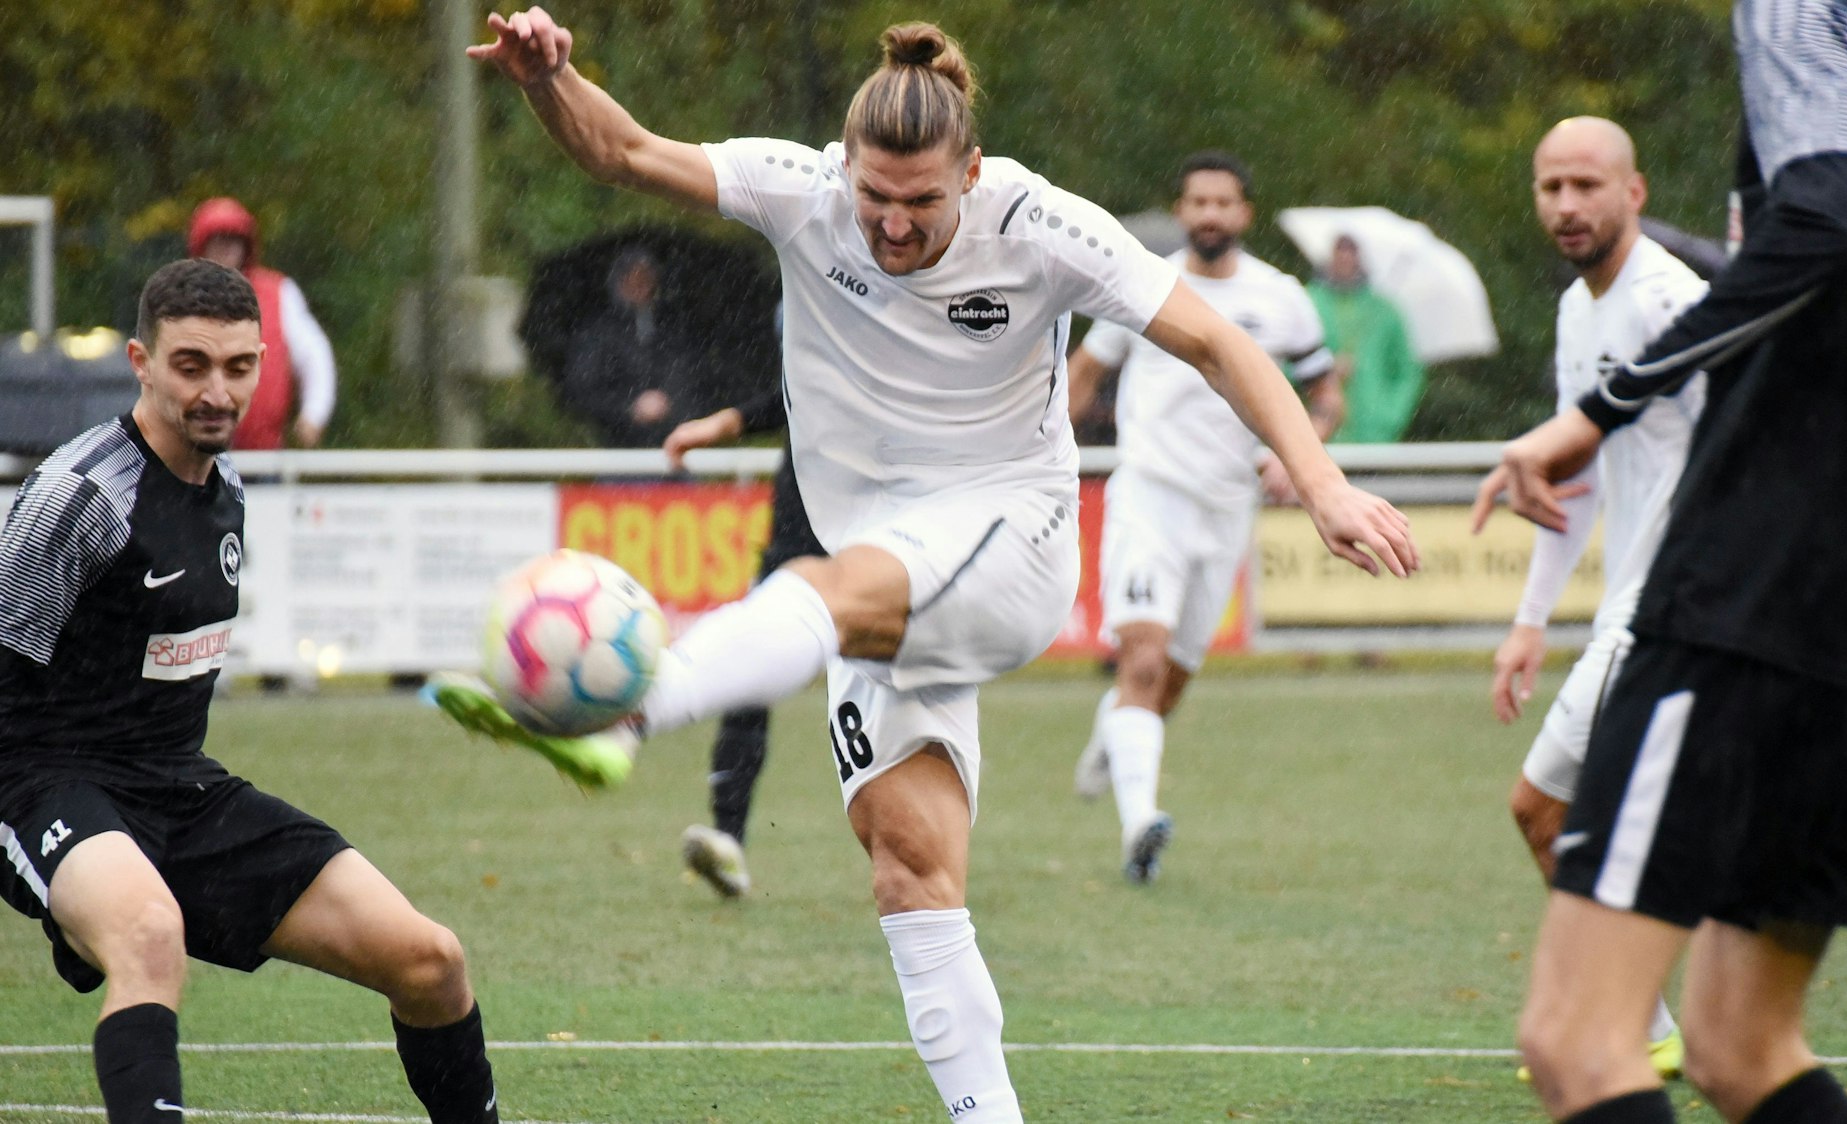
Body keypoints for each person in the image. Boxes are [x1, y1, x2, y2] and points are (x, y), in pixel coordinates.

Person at [433, 10, 1416, 1121]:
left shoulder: (1041, 223)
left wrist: (1324, 483)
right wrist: (545, 80)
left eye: (923, 202)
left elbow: (1219, 341)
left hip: (1009, 538)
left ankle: (629, 711)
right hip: (886, 566)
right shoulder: (800, 189)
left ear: (973, 173)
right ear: (846, 168)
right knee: (909, 864)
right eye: (876, 198)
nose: (894, 225)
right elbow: (623, 152)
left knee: (818, 589)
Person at [1483, 1, 1847, 1120]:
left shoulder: (1813, 6)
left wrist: (1599, 411)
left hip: (1749, 587)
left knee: (1577, 1042)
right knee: (1740, 1045)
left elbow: (1824, 215)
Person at [0, 260, 500, 1124]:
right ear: (140, 363)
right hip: (44, 780)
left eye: (238, 367)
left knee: (430, 961)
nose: (216, 391)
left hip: (181, 788)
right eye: (191, 365)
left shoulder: (226, 488)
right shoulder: (78, 498)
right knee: (150, 939)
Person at [1482, 116, 1710, 1082]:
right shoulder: (1582, 310)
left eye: (1586, 186)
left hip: (1682, 607)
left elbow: (1759, 446)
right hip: (1632, 607)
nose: (1567, 206)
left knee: (1558, 805)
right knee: (1554, 811)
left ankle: (1639, 1025)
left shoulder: (1679, 304)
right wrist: (1532, 620)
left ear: (1635, 193)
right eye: (1551, 188)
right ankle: (1650, 1026)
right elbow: (1570, 479)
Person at [1065, 150, 1337, 883]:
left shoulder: (1282, 299)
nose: (1210, 214)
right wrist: (1040, 449)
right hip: (1149, 495)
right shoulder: (1147, 284)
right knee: (1144, 663)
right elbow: (1088, 372)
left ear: (1244, 213)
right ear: (1182, 211)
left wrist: (1295, 456)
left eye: (1224, 203)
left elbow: (1325, 396)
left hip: (1227, 510)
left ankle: (1111, 738)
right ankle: (1138, 828)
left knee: (1169, 686)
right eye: (1198, 202)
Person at [665, 379, 825, 899]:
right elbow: (800, 389)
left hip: (875, 537)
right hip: (796, 539)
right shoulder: (823, 321)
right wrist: (727, 422)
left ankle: (921, 857)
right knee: (748, 684)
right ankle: (728, 838)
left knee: (891, 695)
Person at [187, 197, 337, 450]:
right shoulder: (181, 295)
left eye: (232, 241)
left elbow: (315, 356)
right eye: (218, 241)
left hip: (263, 456)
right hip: (195, 455)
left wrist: (314, 415)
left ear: (245, 246)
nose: (226, 250)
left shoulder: (278, 293)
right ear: (203, 246)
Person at [560, 248, 714, 447]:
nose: (640, 285)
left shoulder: (674, 326)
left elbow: (694, 377)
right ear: (618, 282)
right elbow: (583, 391)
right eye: (632, 278)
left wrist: (674, 405)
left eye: (646, 277)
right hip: (621, 451)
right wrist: (630, 407)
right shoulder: (598, 332)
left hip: (678, 444)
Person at [1307, 234, 1424, 443]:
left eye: (1350, 251)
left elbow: (1407, 373)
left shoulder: (1385, 310)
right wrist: (1323, 371)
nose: (1345, 258)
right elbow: (1284, 365)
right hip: (1315, 433)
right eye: (1339, 251)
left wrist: (1389, 416)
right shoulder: (1308, 302)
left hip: (1372, 435)